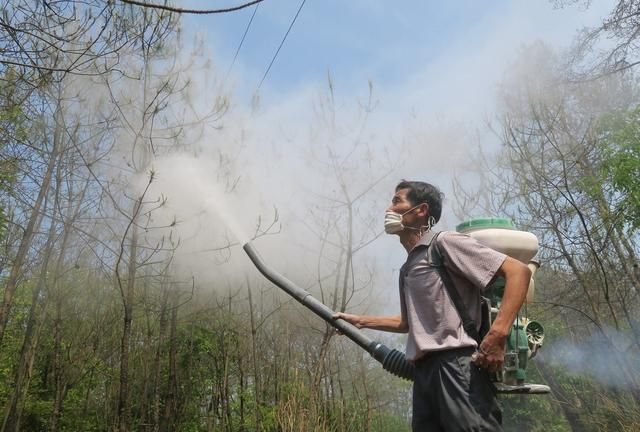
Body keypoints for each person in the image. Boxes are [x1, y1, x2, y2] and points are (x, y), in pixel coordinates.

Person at [334, 180, 531, 432]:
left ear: (421, 210)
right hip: (424, 373)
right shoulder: (407, 267)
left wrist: (499, 333)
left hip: (456, 366)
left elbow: (518, 272)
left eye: (397, 201)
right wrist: (359, 321)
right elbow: (408, 323)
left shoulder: (444, 243)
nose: (388, 209)